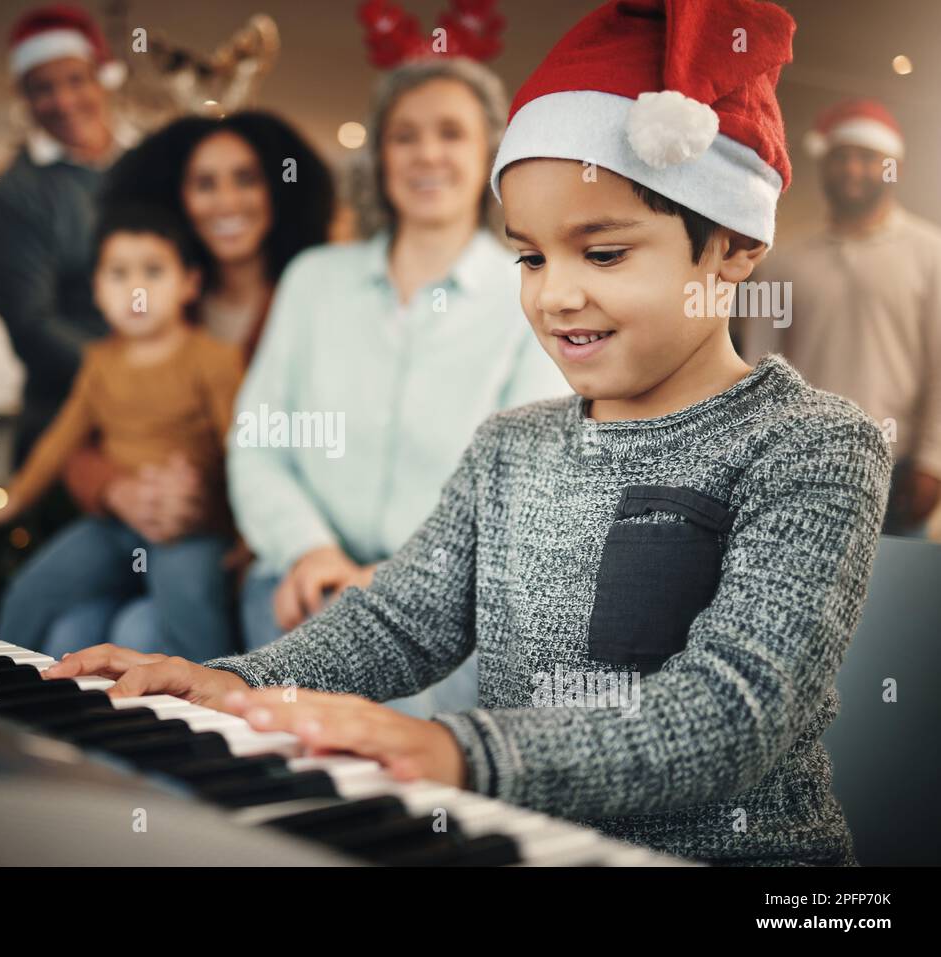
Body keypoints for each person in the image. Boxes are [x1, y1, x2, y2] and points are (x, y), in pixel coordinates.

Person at [43, 0, 893, 867]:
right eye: (529, 256)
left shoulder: (814, 446)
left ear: (734, 245)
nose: (554, 294)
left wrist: (463, 752)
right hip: (529, 844)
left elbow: (732, 713)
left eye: (602, 254)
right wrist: (242, 678)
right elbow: (400, 622)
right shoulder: (510, 446)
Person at [225, 56, 569, 717]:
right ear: (380, 156)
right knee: (288, 738)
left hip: (449, 600)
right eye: (405, 135)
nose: (426, 153)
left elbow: (522, 482)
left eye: (451, 133)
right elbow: (258, 442)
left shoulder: (530, 291)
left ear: (490, 155)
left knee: (389, 760)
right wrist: (312, 550)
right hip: (300, 580)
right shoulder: (313, 280)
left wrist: (392, 582)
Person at [50, 113, 336, 652]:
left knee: (137, 633)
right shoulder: (150, 294)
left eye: (246, 178)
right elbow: (80, 439)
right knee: (73, 631)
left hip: (264, 555)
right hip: (142, 544)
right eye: (205, 183)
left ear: (278, 188)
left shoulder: (314, 300)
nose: (226, 201)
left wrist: (221, 513)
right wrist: (119, 490)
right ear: (178, 196)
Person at [0, 204, 243, 660]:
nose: (135, 290)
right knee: (30, 592)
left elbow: (243, 450)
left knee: (192, 615)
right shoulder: (99, 363)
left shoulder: (214, 360)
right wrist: (9, 501)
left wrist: (246, 537)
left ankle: (216, 707)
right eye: (117, 274)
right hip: (114, 525)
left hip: (184, 528)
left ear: (189, 284)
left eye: (152, 272)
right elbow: (60, 442)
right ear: (96, 289)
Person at [742, 99, 941, 537]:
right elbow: (759, 366)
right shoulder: (783, 260)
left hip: (899, 471)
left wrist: (933, 461)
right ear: (824, 165)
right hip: (800, 466)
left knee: (890, 602)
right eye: (841, 157)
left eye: (868, 158)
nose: (853, 169)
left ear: (894, 167)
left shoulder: (932, 254)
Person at [0, 4, 124, 466]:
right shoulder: (20, 194)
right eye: (42, 88)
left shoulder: (146, 167)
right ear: (24, 99)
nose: (62, 102)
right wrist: (135, 378)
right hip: (66, 428)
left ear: (102, 79)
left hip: (163, 424)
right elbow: (30, 323)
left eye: (75, 80)